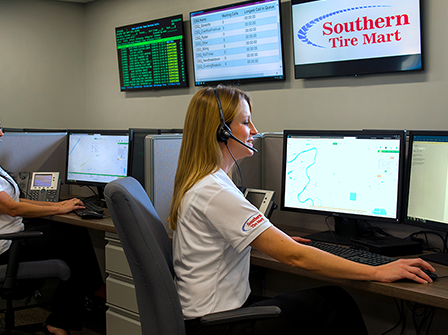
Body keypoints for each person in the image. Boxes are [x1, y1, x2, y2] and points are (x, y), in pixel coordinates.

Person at [168, 86, 436, 335]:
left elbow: (220, 242)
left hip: (203, 316)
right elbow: (295, 257)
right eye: (245, 121)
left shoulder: (204, 182)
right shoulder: (216, 192)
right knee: (336, 303)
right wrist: (380, 271)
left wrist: (271, 240)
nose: (254, 130)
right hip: (216, 324)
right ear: (221, 131)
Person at [0, 102, 105, 335]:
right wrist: (57, 210)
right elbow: (12, 208)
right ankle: (84, 299)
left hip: (10, 238)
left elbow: (18, 201)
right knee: (74, 237)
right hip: (3, 248)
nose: (1, 133)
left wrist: (57, 206)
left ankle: (80, 301)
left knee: (72, 240)